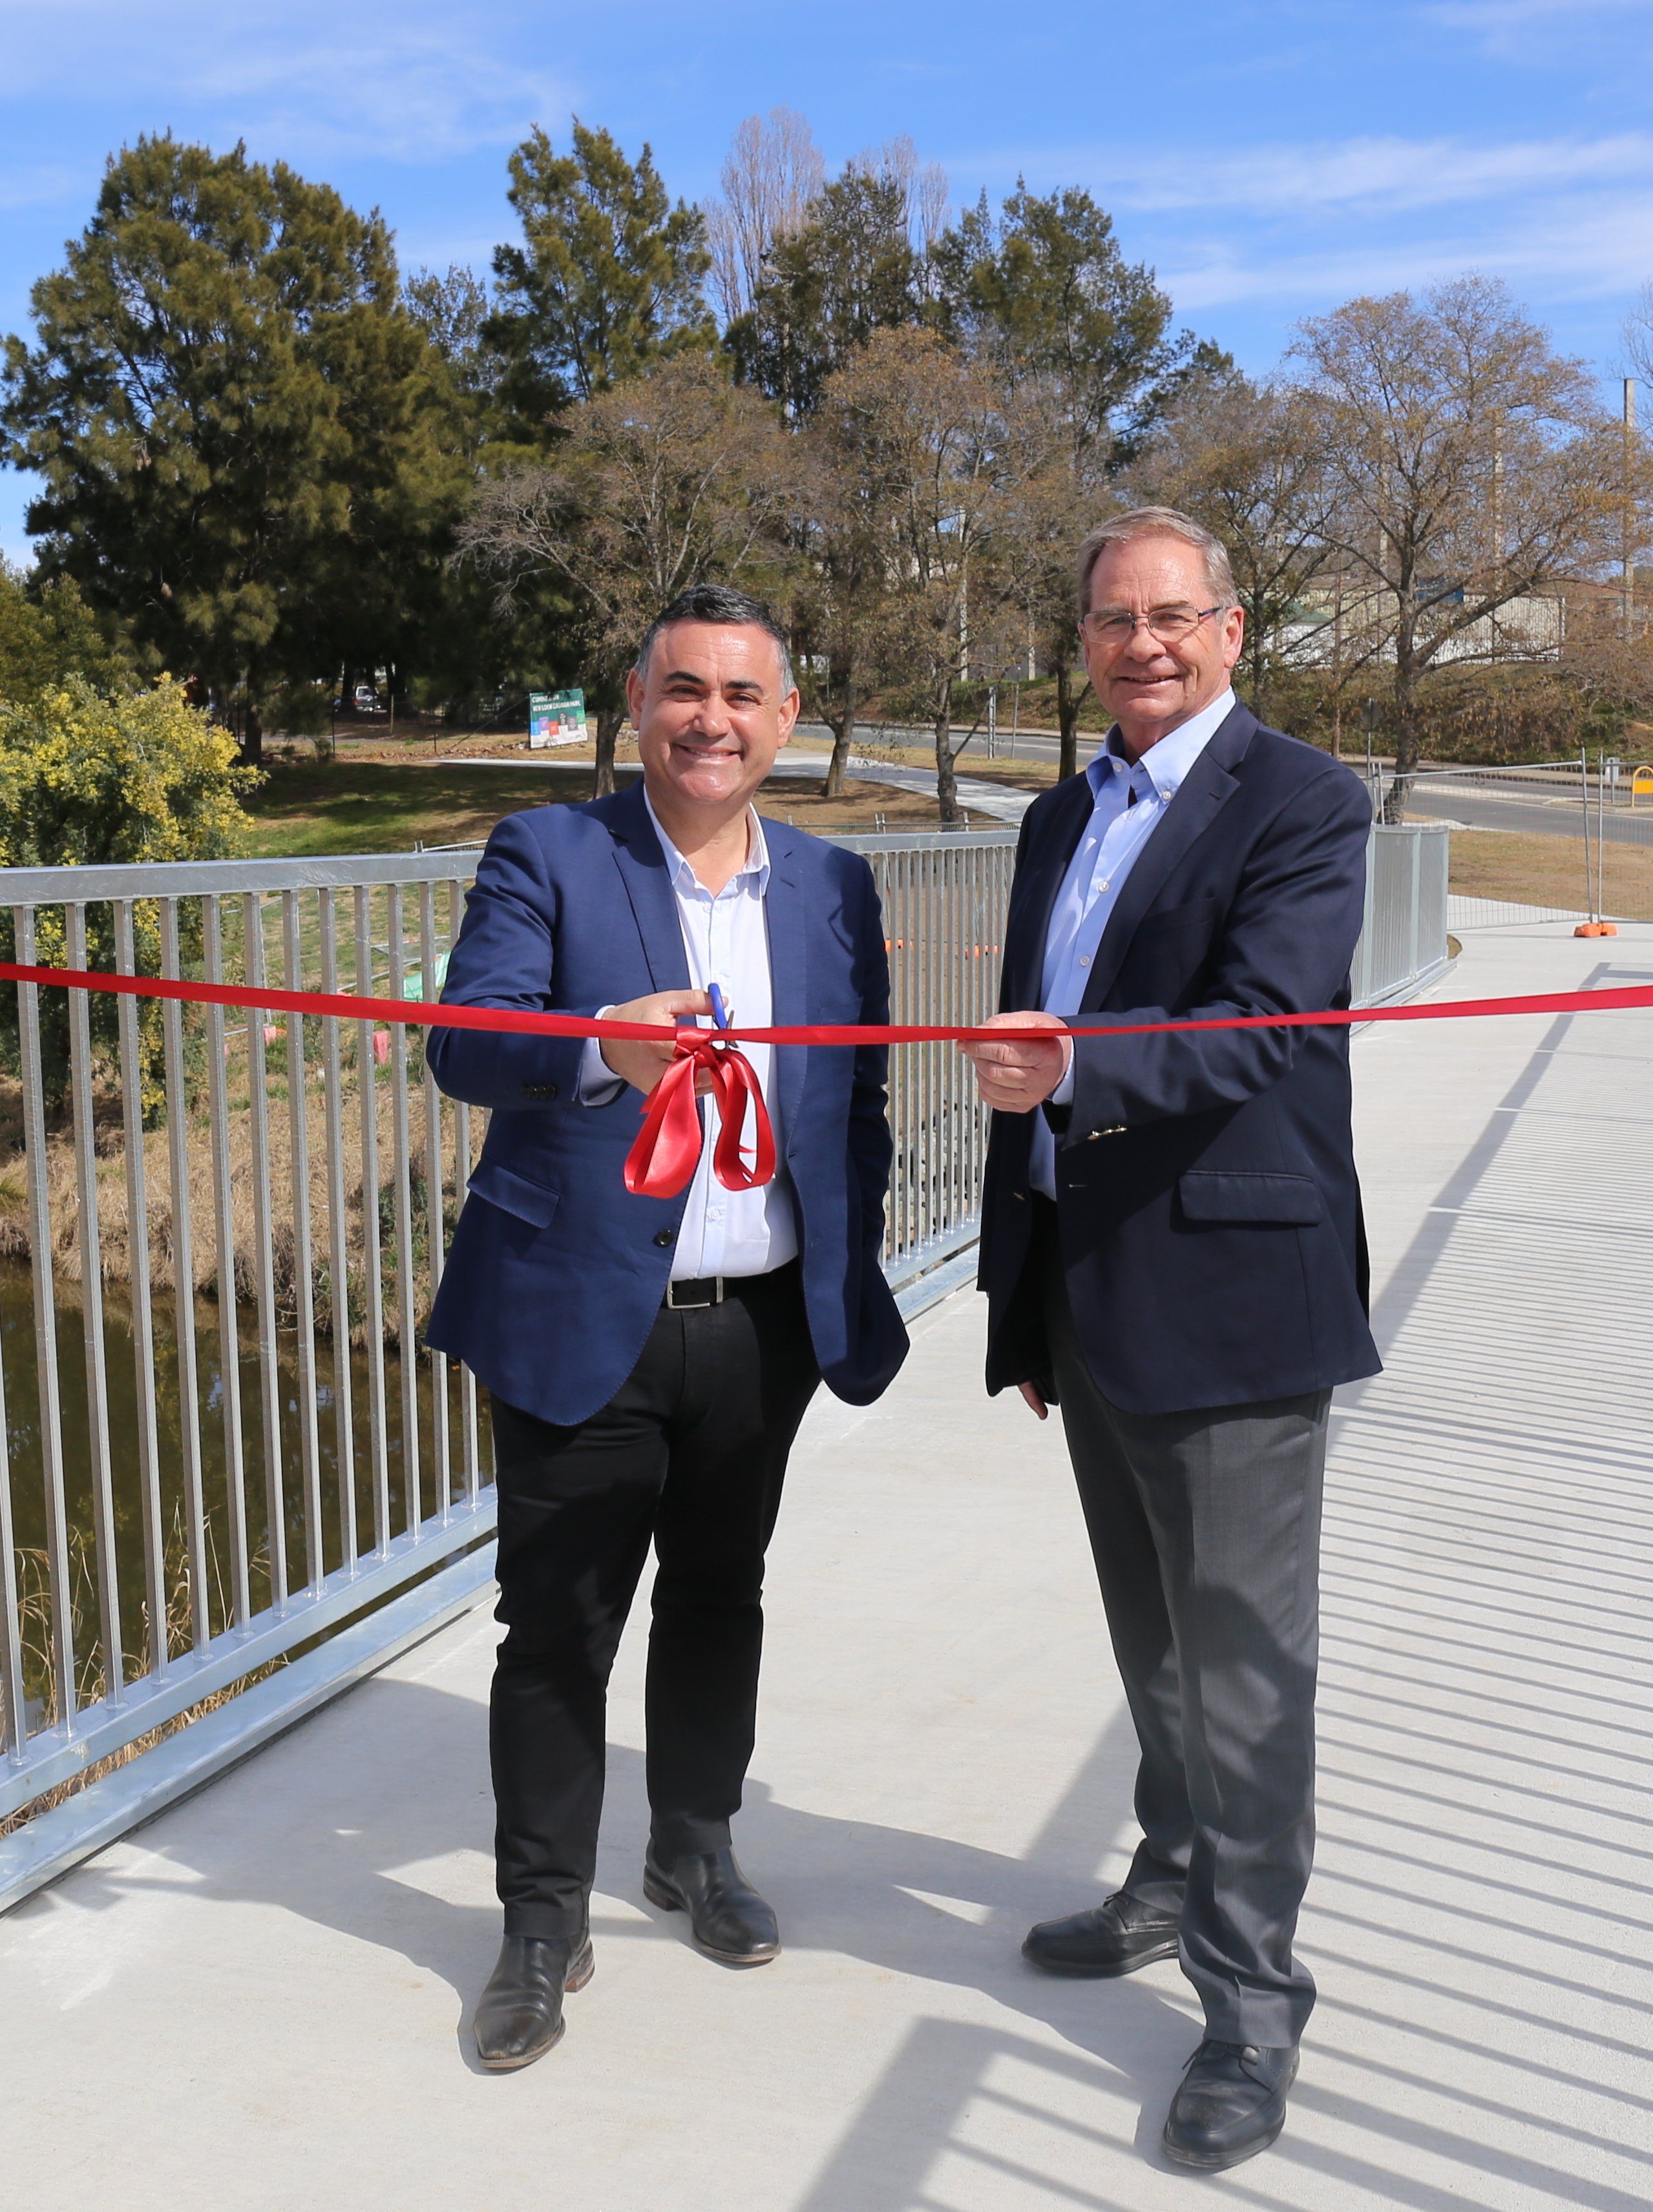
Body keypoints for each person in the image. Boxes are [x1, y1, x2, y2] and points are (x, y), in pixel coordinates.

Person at [425, 582, 909, 2072]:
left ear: (787, 718)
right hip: (585, 1313)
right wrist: (591, 1048)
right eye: (683, 690)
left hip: (759, 1317)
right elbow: (465, 1040)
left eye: (742, 694)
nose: (712, 718)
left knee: (720, 1595)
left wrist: (843, 1256)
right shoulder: (549, 851)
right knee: (557, 1622)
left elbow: (859, 1102)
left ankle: (691, 1846)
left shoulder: (833, 887)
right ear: (636, 705)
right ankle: (537, 1918)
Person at [962, 507, 1377, 2171]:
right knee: (1151, 1636)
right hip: (1088, 1284)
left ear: (1232, 628)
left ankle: (1253, 2003)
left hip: (1233, 1302)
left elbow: (1260, 1026)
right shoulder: (1059, 812)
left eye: (1172, 615)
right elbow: (1014, 1049)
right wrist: (1023, 1280)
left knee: (1245, 1672)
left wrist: (1075, 1070)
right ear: (1083, 640)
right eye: (1113, 619)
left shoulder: (1303, 801)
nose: (1142, 641)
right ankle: (1164, 1873)